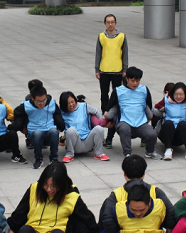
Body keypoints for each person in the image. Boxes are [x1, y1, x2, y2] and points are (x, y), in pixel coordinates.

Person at [99, 155, 178, 233]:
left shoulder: (116, 195)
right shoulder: (155, 192)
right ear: (144, 174)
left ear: (124, 174)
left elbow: (107, 218)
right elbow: (171, 212)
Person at [106, 66, 160, 159]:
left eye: (137, 81)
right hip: (124, 122)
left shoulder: (144, 90)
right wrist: (109, 119)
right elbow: (110, 106)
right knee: (124, 128)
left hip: (141, 123)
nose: (135, 83)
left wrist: (148, 118)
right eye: (133, 81)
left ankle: (150, 152)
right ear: (127, 79)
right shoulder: (118, 91)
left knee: (152, 133)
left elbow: (149, 105)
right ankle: (127, 153)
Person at [10, 85, 65, 169]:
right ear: (32, 99)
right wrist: (22, 128)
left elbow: (58, 115)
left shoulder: (51, 103)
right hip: (34, 134)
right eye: (39, 101)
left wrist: (60, 127)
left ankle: (54, 159)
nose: (42, 103)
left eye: (44, 100)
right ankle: (38, 158)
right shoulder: (26, 106)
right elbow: (17, 113)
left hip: (49, 132)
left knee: (54, 131)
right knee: (38, 133)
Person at [95, 13, 129, 148]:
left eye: (112, 22)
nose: (110, 24)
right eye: (108, 22)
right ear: (105, 23)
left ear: (116, 23)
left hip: (117, 71)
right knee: (104, 94)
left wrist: (125, 70)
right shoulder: (101, 36)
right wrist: (97, 69)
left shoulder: (122, 36)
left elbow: (125, 54)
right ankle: (105, 113)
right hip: (104, 70)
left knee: (116, 95)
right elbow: (98, 53)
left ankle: (115, 111)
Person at [153, 82, 186, 161]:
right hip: (167, 134)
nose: (178, 97)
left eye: (181, 94)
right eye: (176, 94)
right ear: (172, 94)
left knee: (183, 124)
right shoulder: (166, 100)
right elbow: (155, 111)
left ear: (185, 94)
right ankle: (168, 150)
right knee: (168, 122)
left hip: (181, 136)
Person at [58, 91, 109, 163]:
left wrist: (101, 122)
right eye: (68, 103)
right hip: (75, 144)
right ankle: (69, 154)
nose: (71, 104)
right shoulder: (61, 112)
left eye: (72, 101)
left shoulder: (83, 106)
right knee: (71, 130)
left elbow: (96, 111)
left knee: (99, 128)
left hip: (88, 140)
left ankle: (99, 153)